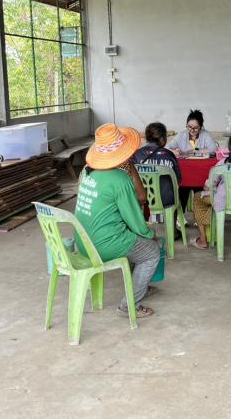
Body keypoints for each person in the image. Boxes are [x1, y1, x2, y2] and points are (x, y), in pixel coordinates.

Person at [75, 123, 160, 319]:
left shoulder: (88, 173)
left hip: (84, 241)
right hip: (104, 244)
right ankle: (128, 306)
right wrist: (151, 234)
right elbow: (136, 221)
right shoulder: (119, 179)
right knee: (151, 252)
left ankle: (139, 286)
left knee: (137, 243)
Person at [132, 122, 183, 239]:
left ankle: (142, 230)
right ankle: (173, 232)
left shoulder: (137, 155)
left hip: (143, 199)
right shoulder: (169, 155)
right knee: (174, 196)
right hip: (166, 200)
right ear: (163, 139)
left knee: (139, 197)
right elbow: (178, 180)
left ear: (147, 138)